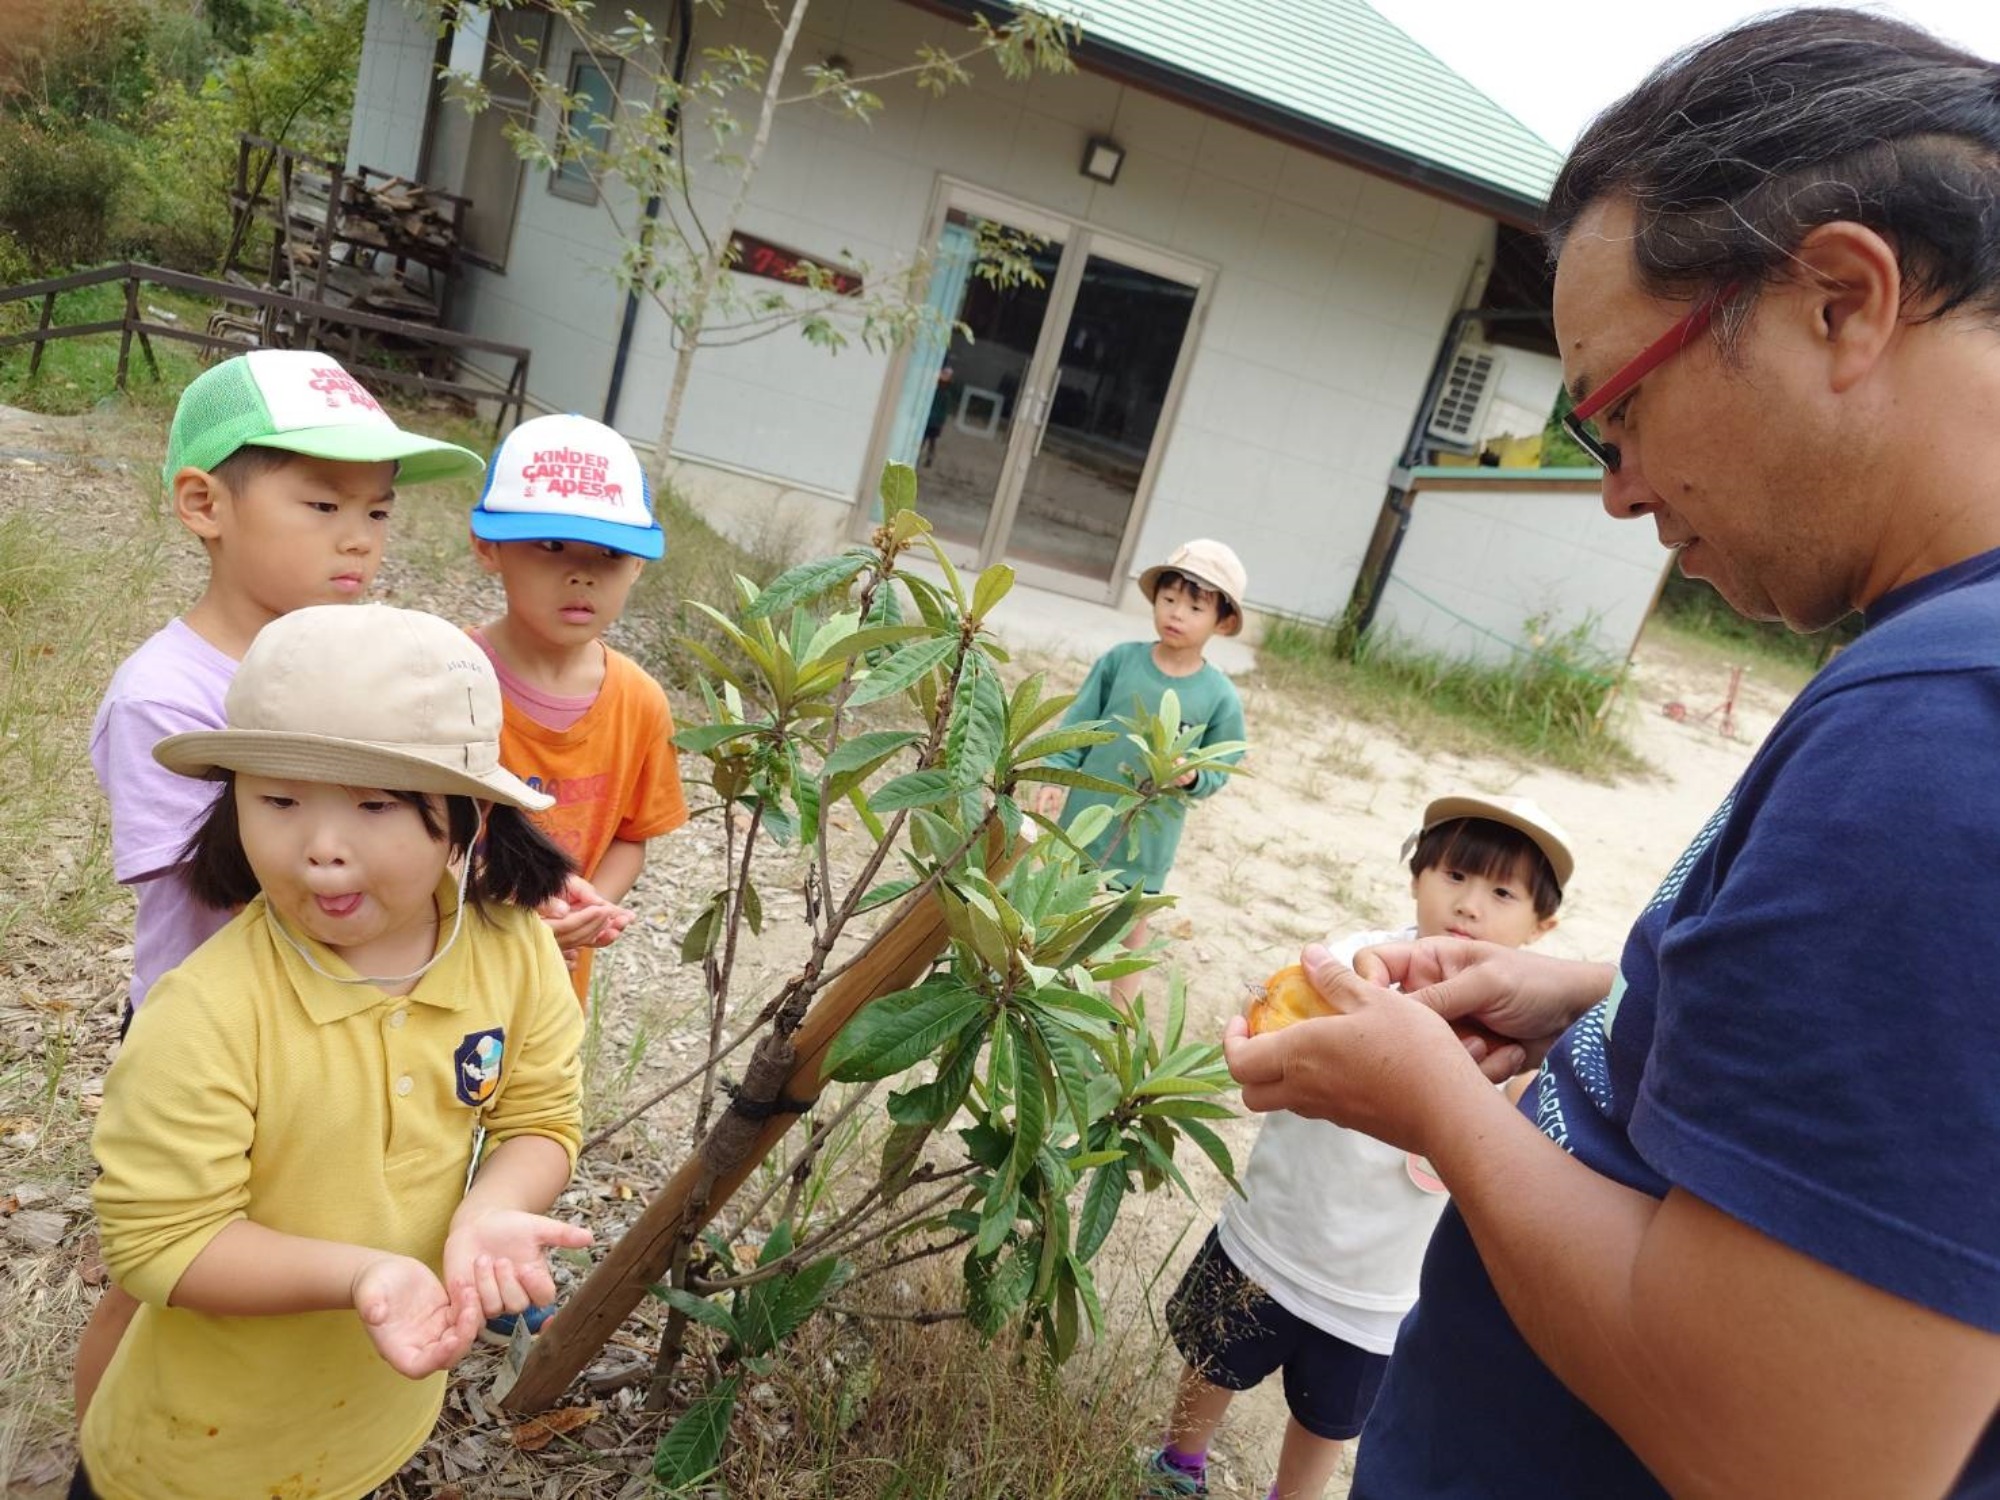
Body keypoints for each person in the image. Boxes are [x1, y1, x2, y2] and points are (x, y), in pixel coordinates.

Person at [1224, 11, 2000, 1496]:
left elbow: (1796, 1456)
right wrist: (1614, 994)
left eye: (1616, 409)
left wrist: (1435, 1103)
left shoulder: (1948, 740)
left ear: (1842, 300)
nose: (1618, 491)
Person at [75, 604, 592, 1500]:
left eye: (375, 803)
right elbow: (160, 1242)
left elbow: (540, 1117)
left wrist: (492, 1209)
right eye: (277, 799)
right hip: (192, 1454)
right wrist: (362, 1275)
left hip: (370, 1419)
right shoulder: (206, 1012)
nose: (319, 849)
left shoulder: (511, 950)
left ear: (469, 817)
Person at [75, 349, 484, 1419]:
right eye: (320, 502)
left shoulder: (365, 670)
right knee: (166, 1272)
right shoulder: (166, 699)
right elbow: (228, 895)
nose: (360, 537)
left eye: (380, 511)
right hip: (214, 1043)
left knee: (309, 1250)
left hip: (341, 1027)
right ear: (206, 503)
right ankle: (104, 1460)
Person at [1149, 796, 1570, 1500]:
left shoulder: (1525, 1042)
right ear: (1417, 875)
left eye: (1502, 893)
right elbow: (1274, 1032)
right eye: (1456, 875)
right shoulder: (1353, 965)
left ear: (1542, 923)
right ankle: (1178, 1467)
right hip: (1273, 1234)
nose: (1470, 905)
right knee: (1212, 1358)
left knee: (1330, 1418)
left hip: (1377, 1289)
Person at [467, 412, 689, 1009]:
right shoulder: (445, 674)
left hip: (554, 983)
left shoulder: (640, 703)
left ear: (638, 565)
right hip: (443, 958)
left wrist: (584, 905)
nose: (582, 574)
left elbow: (631, 836)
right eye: (551, 545)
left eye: (611, 554)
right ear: (487, 546)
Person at [1033, 539, 1248, 1005]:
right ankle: (1040, 977)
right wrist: (1056, 773)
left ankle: (1118, 1010)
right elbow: (1080, 725)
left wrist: (1195, 776)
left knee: (1131, 913)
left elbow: (1223, 760)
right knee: (1063, 889)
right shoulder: (1120, 661)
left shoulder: (1219, 695)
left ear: (1223, 621)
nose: (1177, 614)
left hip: (1151, 828)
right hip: (1088, 811)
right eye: (1169, 600)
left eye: (1195, 607)